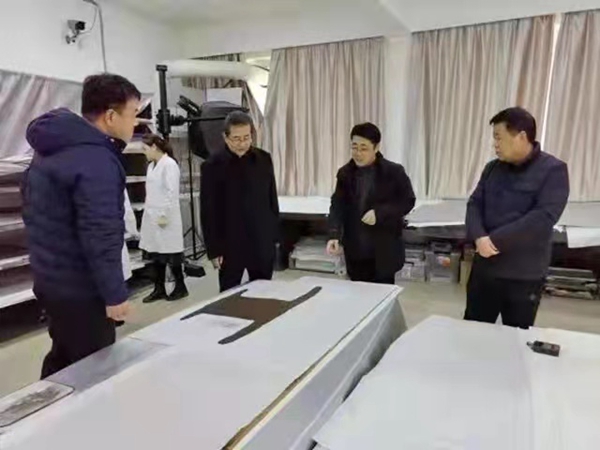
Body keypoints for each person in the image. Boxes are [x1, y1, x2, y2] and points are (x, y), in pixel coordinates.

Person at [22, 74, 141, 378]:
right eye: (133, 114)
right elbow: (99, 231)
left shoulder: (51, 148)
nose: (135, 123)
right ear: (111, 117)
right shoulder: (95, 159)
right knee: (95, 368)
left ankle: (43, 404)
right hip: (82, 288)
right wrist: (114, 294)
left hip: (52, 280)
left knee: (64, 355)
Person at [465, 107, 569, 329]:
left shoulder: (553, 170)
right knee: (473, 332)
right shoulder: (492, 168)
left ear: (521, 136)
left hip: (523, 275)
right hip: (485, 271)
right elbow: (474, 204)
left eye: (499, 137)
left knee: (517, 337)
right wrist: (479, 236)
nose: (495, 144)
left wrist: (494, 241)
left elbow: (543, 218)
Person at [327, 122, 416, 284]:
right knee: (357, 293)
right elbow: (337, 205)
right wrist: (334, 235)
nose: (358, 153)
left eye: (364, 148)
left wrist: (380, 213)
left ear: (376, 148)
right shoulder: (345, 173)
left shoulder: (394, 172)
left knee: (382, 294)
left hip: (384, 251)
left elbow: (407, 201)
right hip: (356, 250)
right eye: (354, 147)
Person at [201, 111, 279, 292]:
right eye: (236, 139)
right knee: (229, 294)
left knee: (263, 292)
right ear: (225, 137)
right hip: (230, 244)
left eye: (246, 137)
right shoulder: (212, 166)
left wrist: (274, 237)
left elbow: (271, 198)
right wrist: (214, 250)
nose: (242, 143)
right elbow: (208, 211)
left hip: (261, 240)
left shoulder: (264, 159)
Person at [139, 134, 188, 302]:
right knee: (156, 253)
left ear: (154, 147)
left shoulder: (169, 164)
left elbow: (171, 193)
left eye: (145, 149)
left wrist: (163, 217)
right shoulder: (151, 166)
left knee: (171, 253)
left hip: (166, 218)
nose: (144, 153)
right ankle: (159, 288)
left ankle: (180, 287)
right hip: (152, 217)